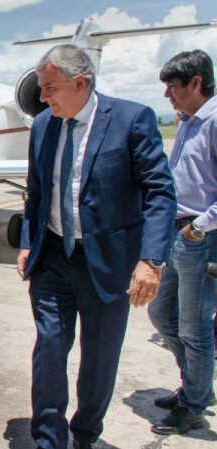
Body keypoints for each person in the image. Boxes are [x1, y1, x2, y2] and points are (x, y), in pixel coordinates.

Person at [16, 44, 176, 449]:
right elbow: (35, 193)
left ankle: (85, 434)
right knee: (49, 347)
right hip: (52, 255)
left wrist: (151, 260)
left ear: (80, 83)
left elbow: (159, 193)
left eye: (50, 88)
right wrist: (25, 242)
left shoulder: (129, 119)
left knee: (99, 358)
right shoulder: (42, 126)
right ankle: (48, 439)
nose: (43, 97)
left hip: (107, 261)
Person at [147, 49, 217, 435]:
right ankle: (197, 385)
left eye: (172, 87)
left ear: (196, 83)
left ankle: (193, 405)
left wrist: (199, 228)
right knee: (161, 316)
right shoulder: (189, 121)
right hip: (176, 232)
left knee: (194, 326)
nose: (167, 95)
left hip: (199, 236)